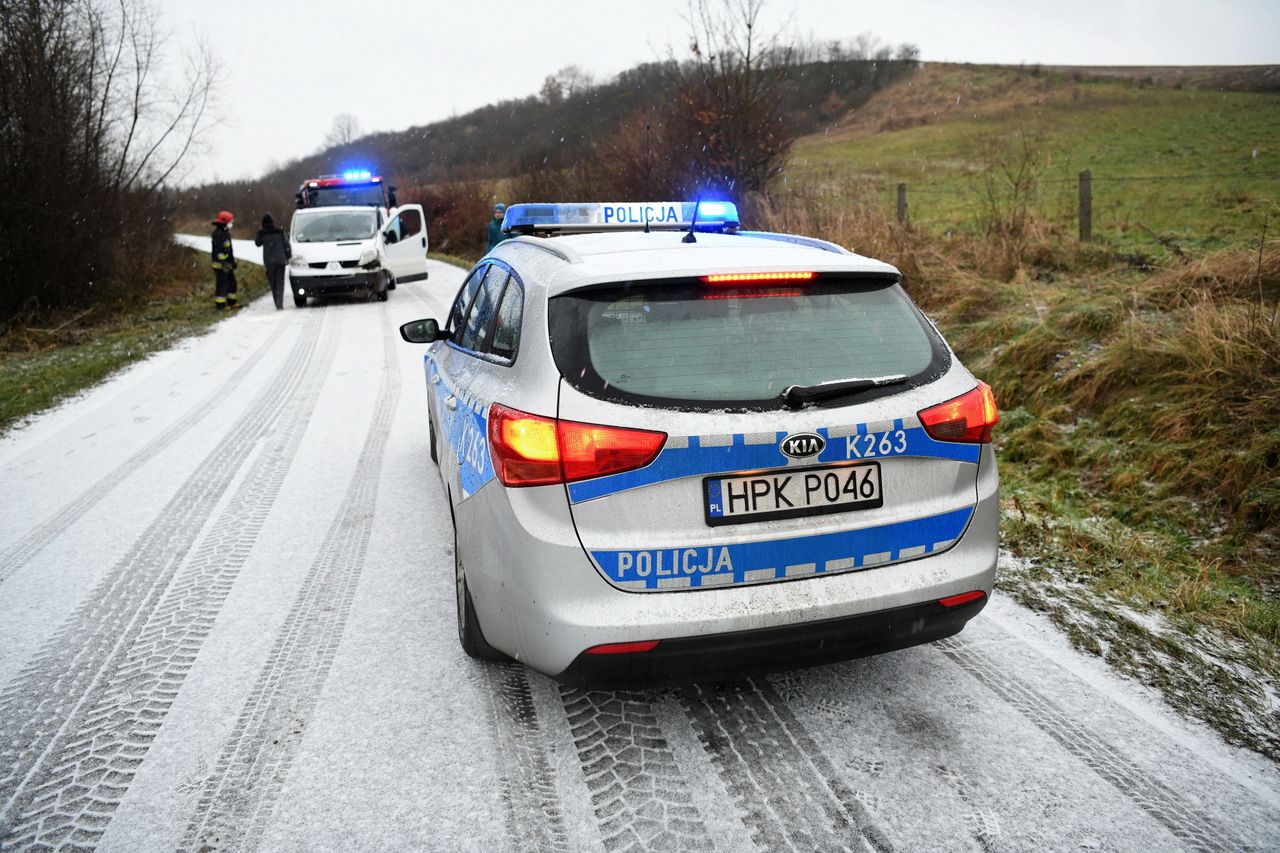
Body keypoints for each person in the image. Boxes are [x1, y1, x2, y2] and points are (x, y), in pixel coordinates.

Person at [255, 213, 292, 310]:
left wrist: (260, 232)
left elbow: (257, 243)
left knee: (273, 283)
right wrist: (288, 256)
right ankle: (280, 303)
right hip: (280, 260)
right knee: (280, 282)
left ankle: (276, 301)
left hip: (269, 262)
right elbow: (286, 244)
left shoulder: (262, 233)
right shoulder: (280, 231)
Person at [210, 210, 239, 310]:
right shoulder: (218, 234)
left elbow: (228, 250)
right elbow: (220, 252)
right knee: (222, 284)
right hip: (220, 265)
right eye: (230, 222)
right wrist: (225, 262)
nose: (231, 224)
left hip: (227, 264)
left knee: (232, 283)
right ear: (224, 222)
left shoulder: (225, 233)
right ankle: (220, 305)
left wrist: (231, 262)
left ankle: (232, 303)